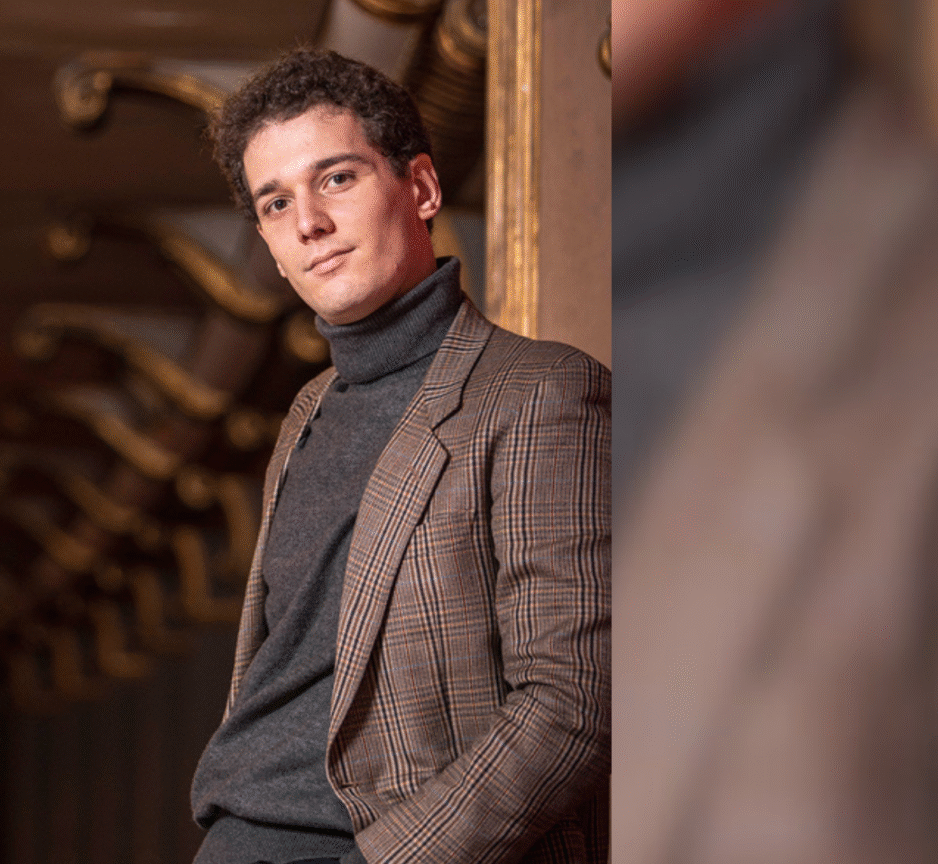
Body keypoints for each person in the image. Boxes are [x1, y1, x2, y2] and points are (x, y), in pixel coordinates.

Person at [188, 48, 611, 864]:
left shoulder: (542, 393)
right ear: (269, 244)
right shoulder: (307, 412)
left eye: (337, 178)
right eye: (277, 202)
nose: (309, 222)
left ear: (420, 188)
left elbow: (575, 700)